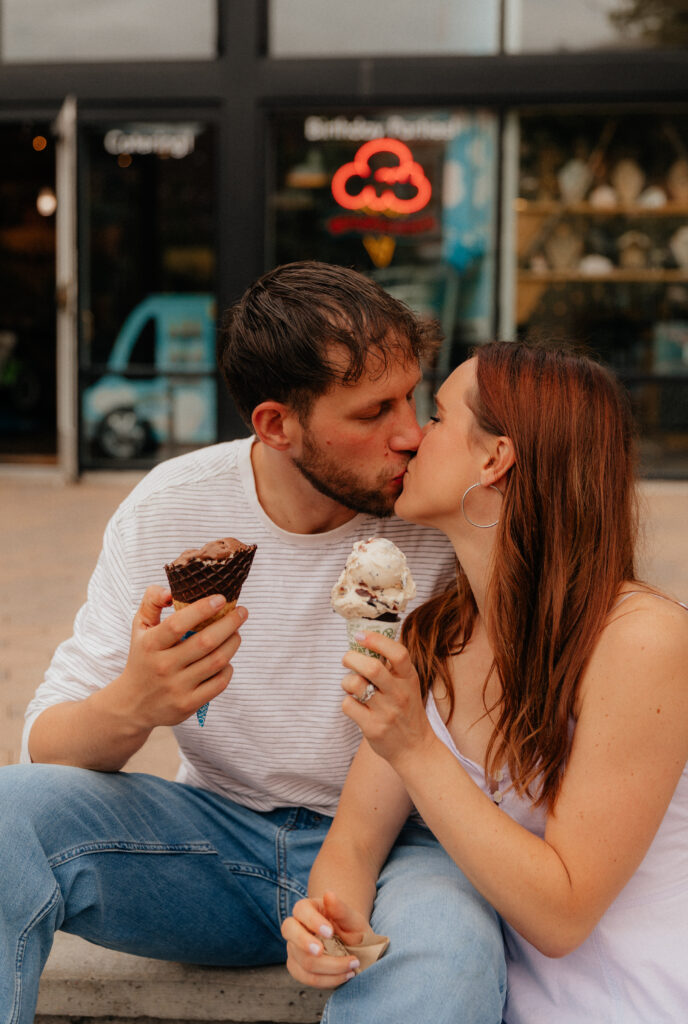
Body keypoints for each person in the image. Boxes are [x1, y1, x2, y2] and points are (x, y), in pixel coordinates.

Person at [0, 262, 507, 1024]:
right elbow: (45, 749)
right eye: (374, 411)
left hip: (406, 853)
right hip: (213, 846)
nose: (409, 434)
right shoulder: (171, 508)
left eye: (412, 396)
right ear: (276, 424)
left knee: (450, 957)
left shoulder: (441, 514)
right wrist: (135, 704)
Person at [282, 339, 688, 1023]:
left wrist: (414, 747)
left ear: (495, 458)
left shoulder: (640, 638)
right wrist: (329, 922)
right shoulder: (432, 639)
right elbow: (353, 842)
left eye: (437, 418)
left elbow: (562, 915)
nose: (411, 438)